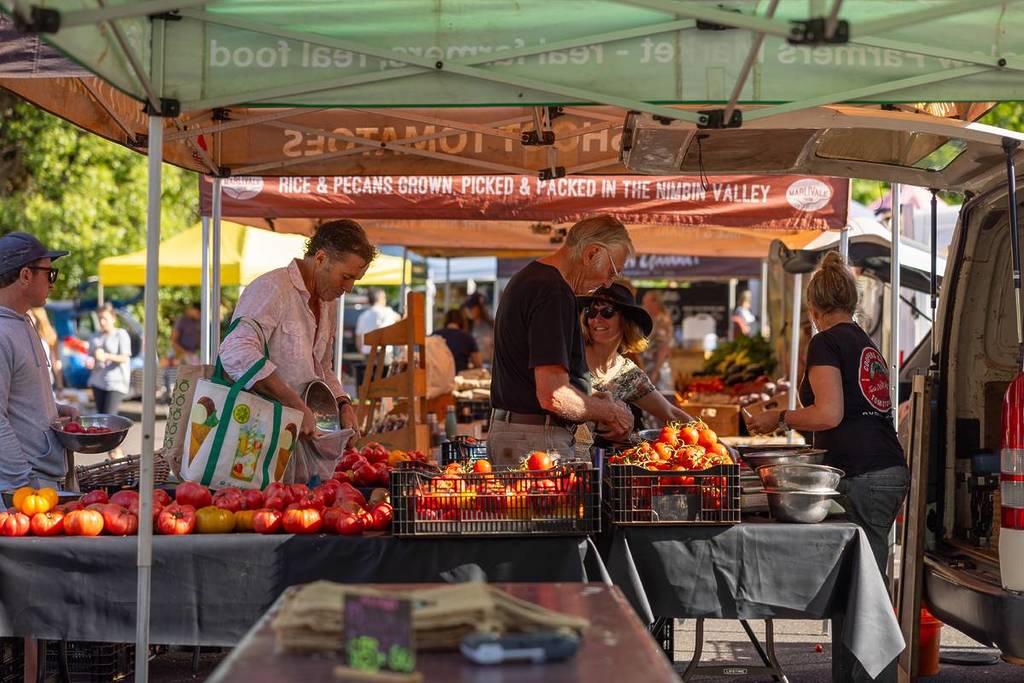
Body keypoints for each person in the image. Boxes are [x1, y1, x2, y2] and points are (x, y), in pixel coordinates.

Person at [745, 251, 908, 683]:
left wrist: (779, 417)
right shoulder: (863, 340)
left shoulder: (825, 341)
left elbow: (829, 413)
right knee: (864, 592)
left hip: (864, 478)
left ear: (814, 310)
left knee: (862, 599)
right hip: (885, 470)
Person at [488, 214, 635, 467]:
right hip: (534, 441)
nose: (607, 283)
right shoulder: (553, 291)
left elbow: (538, 381)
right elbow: (553, 396)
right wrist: (610, 412)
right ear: (591, 254)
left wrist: (591, 399)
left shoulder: (531, 278)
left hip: (521, 435)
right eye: (611, 272)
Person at [219, 219, 374, 442]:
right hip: (253, 438)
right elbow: (236, 351)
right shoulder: (272, 288)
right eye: (346, 277)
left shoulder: (328, 303)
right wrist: (293, 404)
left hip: (298, 442)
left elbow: (321, 366)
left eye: (355, 280)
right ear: (321, 259)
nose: (349, 288)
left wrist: (343, 403)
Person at [0, 232, 79, 490]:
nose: (52, 283)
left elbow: (16, 398)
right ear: (25, 275)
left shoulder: (23, 320)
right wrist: (24, 483)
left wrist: (54, 409)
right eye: (50, 273)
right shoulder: (2, 334)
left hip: (39, 481)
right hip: (19, 491)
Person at [580, 280, 692, 446]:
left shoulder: (628, 374)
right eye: (591, 312)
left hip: (601, 465)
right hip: (560, 460)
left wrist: (716, 442)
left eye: (607, 312)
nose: (596, 319)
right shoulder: (573, 358)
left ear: (625, 321)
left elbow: (671, 412)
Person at [86, 304, 132, 458]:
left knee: (110, 418)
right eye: (99, 319)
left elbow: (125, 357)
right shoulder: (95, 337)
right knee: (103, 419)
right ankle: (113, 453)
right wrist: (90, 361)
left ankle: (116, 452)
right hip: (98, 381)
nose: (102, 322)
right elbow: (91, 357)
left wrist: (106, 356)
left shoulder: (121, 334)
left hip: (116, 382)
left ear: (113, 318)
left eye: (104, 318)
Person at [639, 290, 675, 389]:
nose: (643, 306)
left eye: (646, 303)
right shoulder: (652, 320)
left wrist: (656, 371)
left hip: (657, 368)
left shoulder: (662, 321)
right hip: (648, 367)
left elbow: (663, 347)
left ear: (656, 303)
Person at [26, 306, 63, 394]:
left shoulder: (48, 337)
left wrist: (60, 387)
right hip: (31, 384)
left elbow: (56, 362)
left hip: (47, 383)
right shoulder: (26, 335)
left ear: (38, 318)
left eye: (29, 316)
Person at [432, 308, 481, 373]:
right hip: (460, 378)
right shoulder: (467, 337)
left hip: (439, 378)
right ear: (462, 321)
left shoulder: (434, 335)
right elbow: (478, 363)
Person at [355, 288, 400, 355]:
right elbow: (400, 319)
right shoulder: (388, 311)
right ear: (380, 298)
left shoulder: (363, 316)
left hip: (367, 353)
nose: (385, 300)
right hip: (384, 353)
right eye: (384, 297)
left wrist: (361, 351)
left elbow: (358, 338)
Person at [462, 292, 494, 365]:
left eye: (471, 307)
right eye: (467, 308)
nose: (469, 310)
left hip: (490, 366)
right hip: (473, 367)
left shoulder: (491, 325)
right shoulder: (466, 327)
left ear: (479, 307)